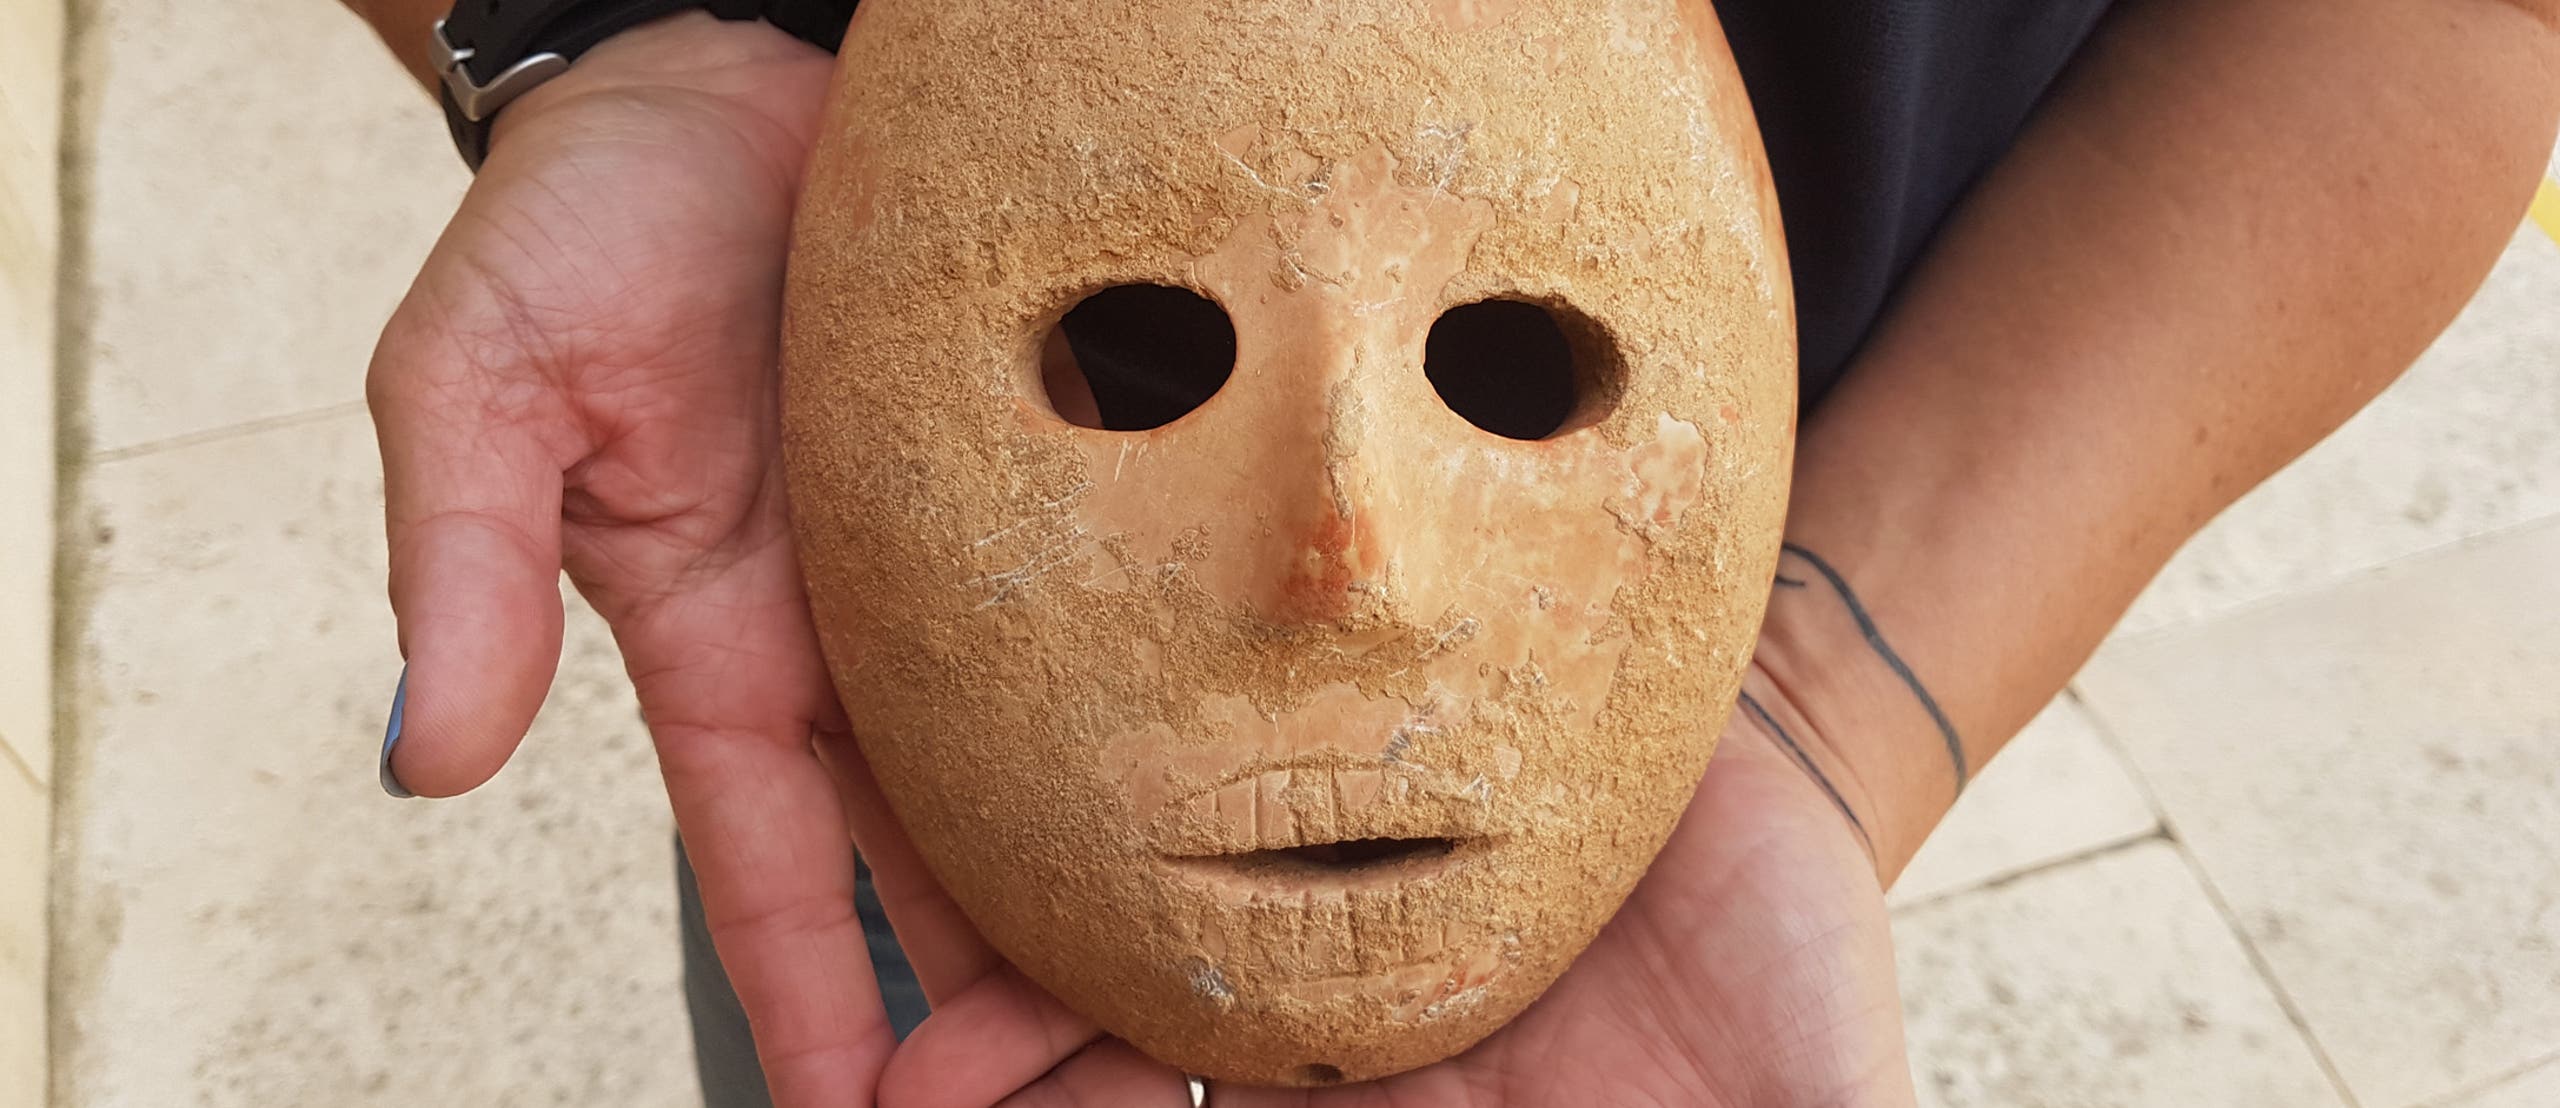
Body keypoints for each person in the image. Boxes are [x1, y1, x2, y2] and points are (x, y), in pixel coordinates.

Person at [341, 0, 2560, 1104]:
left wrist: (1823, 699)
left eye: (1525, 364)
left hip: (1761, 613)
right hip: (874, 699)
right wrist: (586, 36)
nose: (1355, 573)